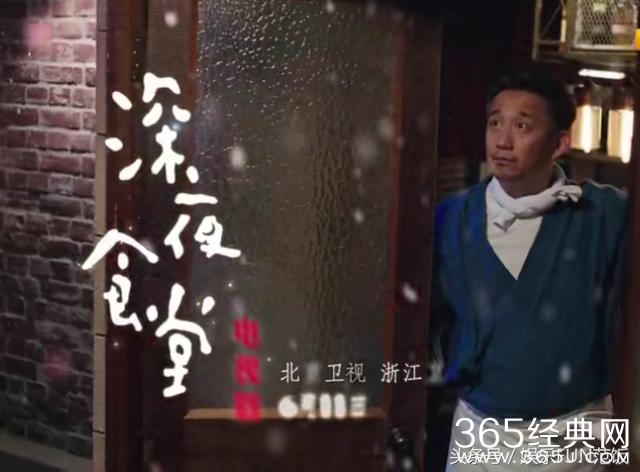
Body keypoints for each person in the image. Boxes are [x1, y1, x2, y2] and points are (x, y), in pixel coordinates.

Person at [430, 70, 628, 471]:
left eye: (522, 126)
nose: (502, 141)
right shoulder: (453, 216)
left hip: (578, 428)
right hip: (478, 425)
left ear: (559, 143)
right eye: (495, 123)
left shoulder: (606, 214)